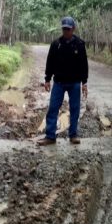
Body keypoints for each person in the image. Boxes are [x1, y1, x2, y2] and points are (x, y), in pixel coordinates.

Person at [37, 16, 89, 145]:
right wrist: (47, 79)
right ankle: (50, 136)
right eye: (64, 29)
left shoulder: (80, 44)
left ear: (73, 29)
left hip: (75, 83)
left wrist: (84, 82)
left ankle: (73, 135)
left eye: (68, 29)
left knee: (75, 109)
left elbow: (84, 64)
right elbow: (50, 62)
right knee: (53, 108)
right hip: (59, 83)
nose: (66, 31)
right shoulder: (56, 44)